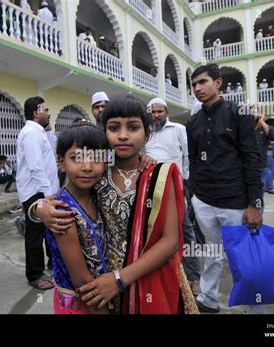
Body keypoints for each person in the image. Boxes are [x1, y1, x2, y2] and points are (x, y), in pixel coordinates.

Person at [33, 95, 197, 314]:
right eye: (113, 128)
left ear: (147, 135)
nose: (122, 135)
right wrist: (38, 209)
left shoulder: (157, 175)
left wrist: (119, 279)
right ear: (104, 134)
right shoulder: (97, 173)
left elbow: (170, 241)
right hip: (105, 282)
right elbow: (61, 198)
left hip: (147, 274)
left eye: (133, 127)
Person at [186, 64, 264, 314]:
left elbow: (252, 158)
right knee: (212, 252)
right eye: (194, 84)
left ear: (218, 83)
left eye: (203, 82)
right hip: (205, 202)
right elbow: (194, 160)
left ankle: (254, 308)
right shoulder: (194, 121)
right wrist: (195, 196)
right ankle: (208, 299)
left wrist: (255, 204)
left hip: (237, 204)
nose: (198, 88)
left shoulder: (238, 112)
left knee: (244, 260)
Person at [46, 122, 110, 314]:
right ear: (62, 162)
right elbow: (82, 282)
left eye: (96, 159)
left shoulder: (98, 195)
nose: (87, 167)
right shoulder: (62, 211)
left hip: (103, 295)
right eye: (77, 158)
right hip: (81, 304)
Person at [144, 98, 201, 297]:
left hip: (175, 187)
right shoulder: (144, 133)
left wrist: (184, 179)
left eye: (160, 111)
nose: (157, 115)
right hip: (150, 190)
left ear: (166, 112)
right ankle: (162, 276)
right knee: (154, 232)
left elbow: (187, 155)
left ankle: (194, 278)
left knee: (185, 230)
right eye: (153, 111)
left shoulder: (178, 129)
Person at [16, 96, 59, 290]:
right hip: (37, 192)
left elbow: (53, 148)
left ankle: (52, 264)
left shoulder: (38, 132)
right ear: (37, 112)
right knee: (35, 234)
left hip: (44, 191)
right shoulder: (31, 133)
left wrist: (48, 129)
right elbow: (35, 166)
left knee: (49, 230)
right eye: (46, 109)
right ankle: (34, 274)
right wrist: (48, 194)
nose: (49, 113)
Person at [255, 113, 274, 196]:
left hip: (261, 163)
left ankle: (269, 187)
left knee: (260, 190)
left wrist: (262, 122)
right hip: (247, 164)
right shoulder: (246, 128)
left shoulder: (265, 129)